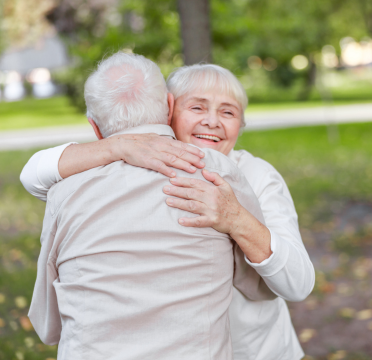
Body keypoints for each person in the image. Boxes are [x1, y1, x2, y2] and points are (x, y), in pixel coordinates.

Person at [21, 61, 315, 360]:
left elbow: (298, 284)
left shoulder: (254, 174)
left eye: (228, 112)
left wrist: (235, 218)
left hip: (254, 350)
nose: (212, 121)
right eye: (198, 108)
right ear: (168, 109)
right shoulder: (132, 164)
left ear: (241, 125)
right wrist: (117, 147)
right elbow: (33, 174)